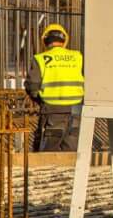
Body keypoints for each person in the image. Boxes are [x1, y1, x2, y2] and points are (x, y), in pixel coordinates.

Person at [25, 23, 83, 152]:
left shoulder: (40, 59)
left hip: (52, 109)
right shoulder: (78, 57)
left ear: (45, 41)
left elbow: (32, 85)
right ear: (64, 40)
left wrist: (39, 99)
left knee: (49, 148)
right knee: (73, 146)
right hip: (77, 109)